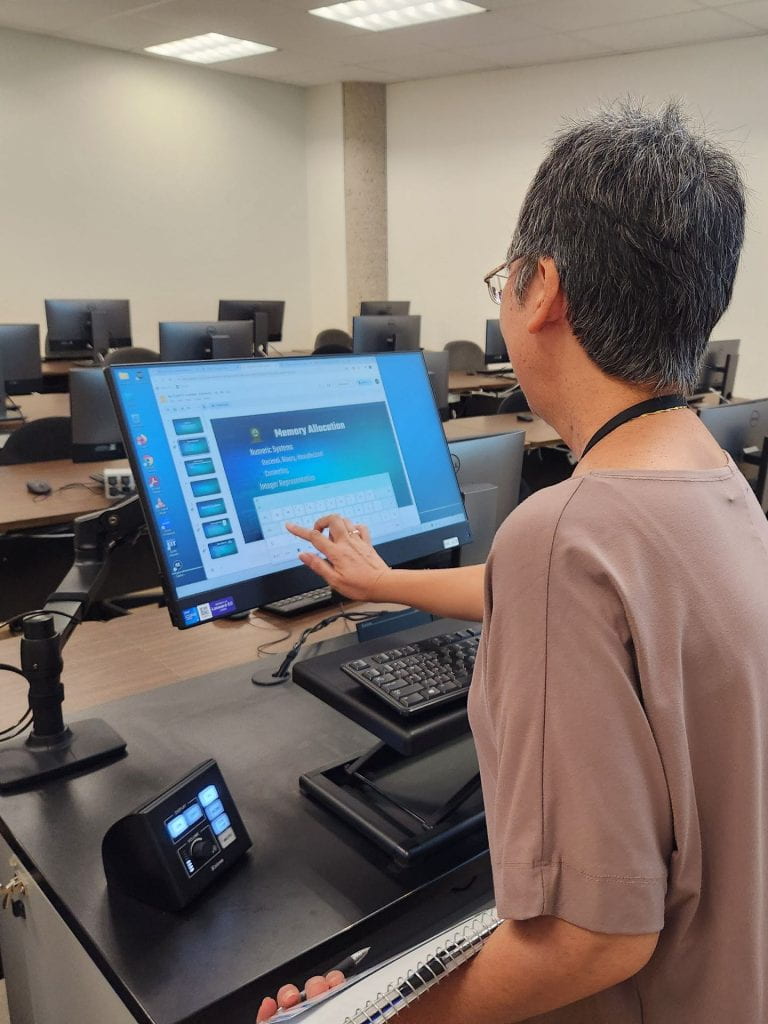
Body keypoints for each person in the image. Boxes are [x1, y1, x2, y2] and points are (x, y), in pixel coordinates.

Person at [257, 101, 765, 1023]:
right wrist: (383, 581)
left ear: (542, 290)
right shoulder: (715, 481)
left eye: (504, 278)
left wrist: (375, 1016)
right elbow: (597, 605)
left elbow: (594, 936)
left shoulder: (565, 532)